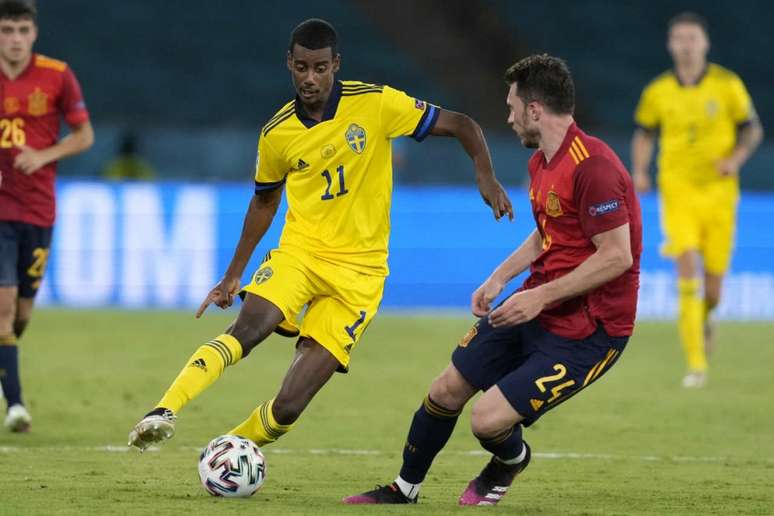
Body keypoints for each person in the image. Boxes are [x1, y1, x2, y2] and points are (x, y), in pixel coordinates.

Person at [128, 19, 512, 452]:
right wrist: (233, 275)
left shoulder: (377, 104)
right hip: (301, 255)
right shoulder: (277, 134)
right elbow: (264, 203)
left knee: (290, 406)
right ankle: (163, 409)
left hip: (360, 276)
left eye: (320, 68)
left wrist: (486, 175)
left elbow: (462, 123)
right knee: (248, 329)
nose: (310, 78)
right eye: (302, 67)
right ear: (289, 65)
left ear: (336, 66)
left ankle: (226, 451)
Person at [344, 54, 642, 506]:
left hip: (592, 331)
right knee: (445, 388)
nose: (509, 116)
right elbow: (549, 235)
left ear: (535, 109)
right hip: (537, 305)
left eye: (512, 106)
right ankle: (404, 489)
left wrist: (539, 296)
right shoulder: (542, 163)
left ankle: (510, 460)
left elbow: (617, 257)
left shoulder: (593, 167)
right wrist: (499, 277)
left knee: (486, 421)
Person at [631, 12, 763, 388]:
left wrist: (735, 159)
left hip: (720, 193)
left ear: (704, 43)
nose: (686, 45)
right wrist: (640, 170)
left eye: (692, 38)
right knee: (685, 263)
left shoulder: (727, 85)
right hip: (678, 190)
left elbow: (752, 129)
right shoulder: (658, 91)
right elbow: (643, 134)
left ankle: (708, 316)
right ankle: (696, 364)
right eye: (679, 38)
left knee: (714, 286)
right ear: (670, 45)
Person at [0, 0, 93, 432]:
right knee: (2, 311)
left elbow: (84, 135)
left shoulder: (57, 75)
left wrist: (45, 155)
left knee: (20, 317)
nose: (15, 39)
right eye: (7, 30)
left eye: (22, 30)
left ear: (33, 34)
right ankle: (15, 405)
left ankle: (6, 367)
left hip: (38, 210)